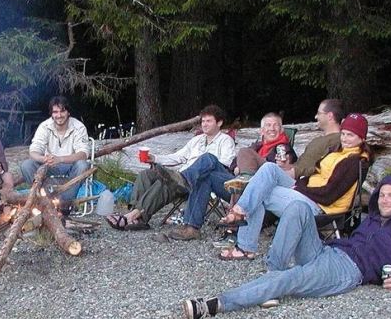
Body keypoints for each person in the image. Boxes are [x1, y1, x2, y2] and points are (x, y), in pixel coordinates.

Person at [182, 175, 391, 319]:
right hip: (328, 250)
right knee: (298, 208)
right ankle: (274, 273)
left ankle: (215, 304)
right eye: (383, 194)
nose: (385, 199)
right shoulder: (373, 218)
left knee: (292, 278)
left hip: (348, 271)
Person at [218, 113, 372, 260]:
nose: (345, 138)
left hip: (320, 206)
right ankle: (240, 211)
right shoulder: (338, 152)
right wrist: (299, 185)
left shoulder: (355, 161)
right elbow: (314, 177)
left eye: (350, 135)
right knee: (269, 169)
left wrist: (299, 189)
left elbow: (330, 193)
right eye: (343, 134)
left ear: (362, 138)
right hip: (308, 194)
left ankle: (244, 242)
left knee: (259, 191)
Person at [105, 105, 236, 233]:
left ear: (219, 123)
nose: (204, 124)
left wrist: (200, 165)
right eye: (203, 121)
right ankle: (138, 218)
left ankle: (131, 217)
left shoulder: (226, 141)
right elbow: (177, 157)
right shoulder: (197, 140)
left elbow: (225, 164)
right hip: (180, 177)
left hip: (200, 182)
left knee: (202, 161)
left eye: (209, 121)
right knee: (146, 175)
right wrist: (154, 158)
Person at [20, 96, 90, 205]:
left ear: (68, 112)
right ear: (51, 114)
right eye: (55, 112)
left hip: (71, 166)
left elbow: (83, 154)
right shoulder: (44, 126)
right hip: (49, 165)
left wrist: (60, 159)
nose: (59, 115)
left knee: (83, 165)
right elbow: (34, 150)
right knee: (26, 165)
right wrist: (43, 158)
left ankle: (64, 203)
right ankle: (45, 200)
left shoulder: (78, 127)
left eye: (62, 111)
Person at [225, 112, 297, 191]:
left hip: (269, 181)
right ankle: (245, 178)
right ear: (262, 131)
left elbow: (290, 161)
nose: (272, 129)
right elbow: (235, 161)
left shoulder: (284, 147)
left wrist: (285, 163)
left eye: (276, 125)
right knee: (237, 186)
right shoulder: (256, 146)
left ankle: (247, 178)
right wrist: (236, 168)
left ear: (281, 130)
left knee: (244, 152)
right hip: (253, 183)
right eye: (268, 125)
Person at [279, 99, 344, 180]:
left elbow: (326, 169)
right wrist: (288, 166)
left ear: (330, 116)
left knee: (268, 169)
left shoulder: (337, 141)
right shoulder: (320, 140)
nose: (316, 116)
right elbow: (302, 165)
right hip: (292, 175)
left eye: (319, 113)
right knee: (267, 167)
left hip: (301, 182)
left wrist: (295, 172)